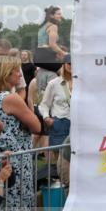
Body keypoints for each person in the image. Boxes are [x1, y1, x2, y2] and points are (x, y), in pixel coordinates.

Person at [0, 55, 41, 211]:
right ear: (6, 74)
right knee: (15, 207)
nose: (20, 74)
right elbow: (37, 126)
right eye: (16, 71)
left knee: (0, 203)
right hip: (16, 159)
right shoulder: (10, 98)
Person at [39, 56, 72, 188]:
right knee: (62, 162)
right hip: (60, 123)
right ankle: (63, 189)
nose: (72, 66)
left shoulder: (82, 82)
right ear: (64, 64)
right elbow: (44, 104)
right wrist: (46, 118)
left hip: (78, 124)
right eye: (69, 63)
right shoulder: (54, 83)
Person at [35, 5, 68, 72]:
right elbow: (52, 45)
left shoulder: (43, 26)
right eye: (58, 14)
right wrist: (64, 53)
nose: (60, 16)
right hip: (47, 56)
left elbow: (44, 43)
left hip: (38, 56)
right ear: (51, 16)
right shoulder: (53, 26)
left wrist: (60, 47)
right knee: (66, 71)